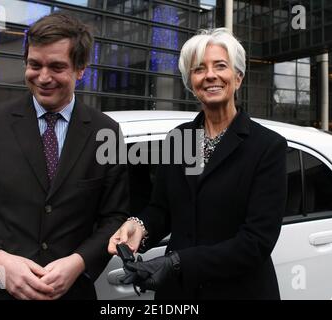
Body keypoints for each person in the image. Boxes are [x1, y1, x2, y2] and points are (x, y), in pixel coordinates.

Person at [0, 12, 129, 300]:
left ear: (81, 69)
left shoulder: (106, 131)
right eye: (35, 65)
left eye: (57, 67)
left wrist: (79, 262)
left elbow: (114, 218)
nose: (43, 77)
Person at [108, 28, 287, 300]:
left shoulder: (267, 146)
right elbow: (162, 209)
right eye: (199, 69)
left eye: (220, 66)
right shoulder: (178, 138)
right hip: (179, 295)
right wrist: (139, 227)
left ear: (238, 77)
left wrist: (178, 263)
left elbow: (255, 243)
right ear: (191, 83)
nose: (210, 75)